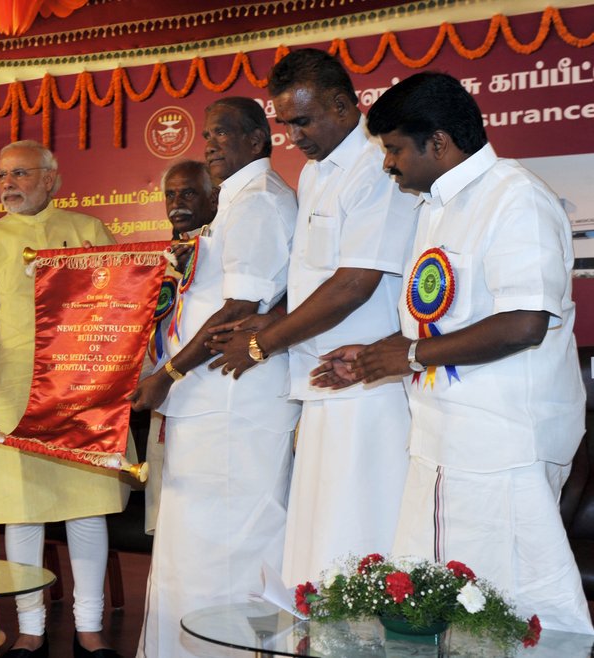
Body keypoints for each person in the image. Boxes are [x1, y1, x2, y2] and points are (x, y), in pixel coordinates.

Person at [311, 71, 593, 633]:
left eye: (394, 150)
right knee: (439, 604)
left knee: (519, 611)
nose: (388, 165)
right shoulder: (435, 208)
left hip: (505, 443)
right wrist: (375, 355)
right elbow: (446, 324)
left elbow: (524, 323)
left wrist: (411, 355)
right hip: (441, 442)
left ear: (438, 143)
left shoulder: (515, 198)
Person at [206, 49, 418, 587]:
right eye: (285, 124)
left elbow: (354, 284)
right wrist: (274, 318)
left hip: (369, 383)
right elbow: (314, 276)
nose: (293, 136)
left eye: (303, 120)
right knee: (322, 540)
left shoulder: (377, 167)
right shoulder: (314, 172)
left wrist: (264, 343)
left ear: (344, 105)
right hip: (320, 379)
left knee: (364, 536)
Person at [131, 98, 301, 658]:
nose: (209, 145)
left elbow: (239, 309)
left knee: (232, 550)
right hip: (212, 401)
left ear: (257, 139)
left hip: (235, 401)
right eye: (207, 135)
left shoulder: (258, 202)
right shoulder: (235, 201)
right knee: (194, 548)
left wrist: (168, 373)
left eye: (222, 133)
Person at [0, 140, 126, 658]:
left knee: (87, 509)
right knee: (21, 510)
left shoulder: (88, 229)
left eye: (20, 173)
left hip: (83, 390)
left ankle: (89, 628)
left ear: (51, 178)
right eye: (1, 175)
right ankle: (31, 628)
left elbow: (118, 308)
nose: (7, 184)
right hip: (11, 392)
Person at [142, 159, 220, 536]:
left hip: (213, 394)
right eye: (170, 195)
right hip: (164, 396)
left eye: (188, 193)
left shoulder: (223, 250)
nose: (177, 203)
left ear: (213, 197)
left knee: (208, 516)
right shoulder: (158, 260)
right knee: (168, 516)